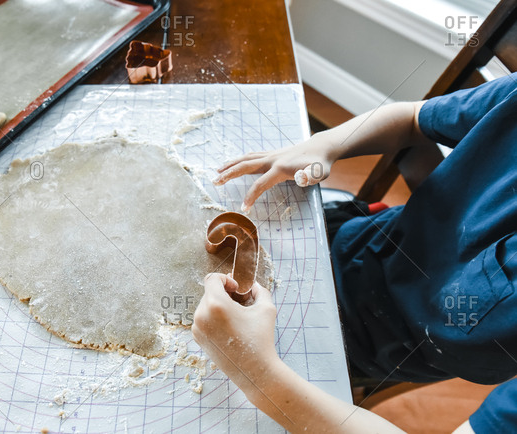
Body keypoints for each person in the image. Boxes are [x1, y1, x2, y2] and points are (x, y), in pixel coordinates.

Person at [192, 73, 517, 432]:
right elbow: (412, 118)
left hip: (385, 342)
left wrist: (259, 375)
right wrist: (327, 143)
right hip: (362, 240)